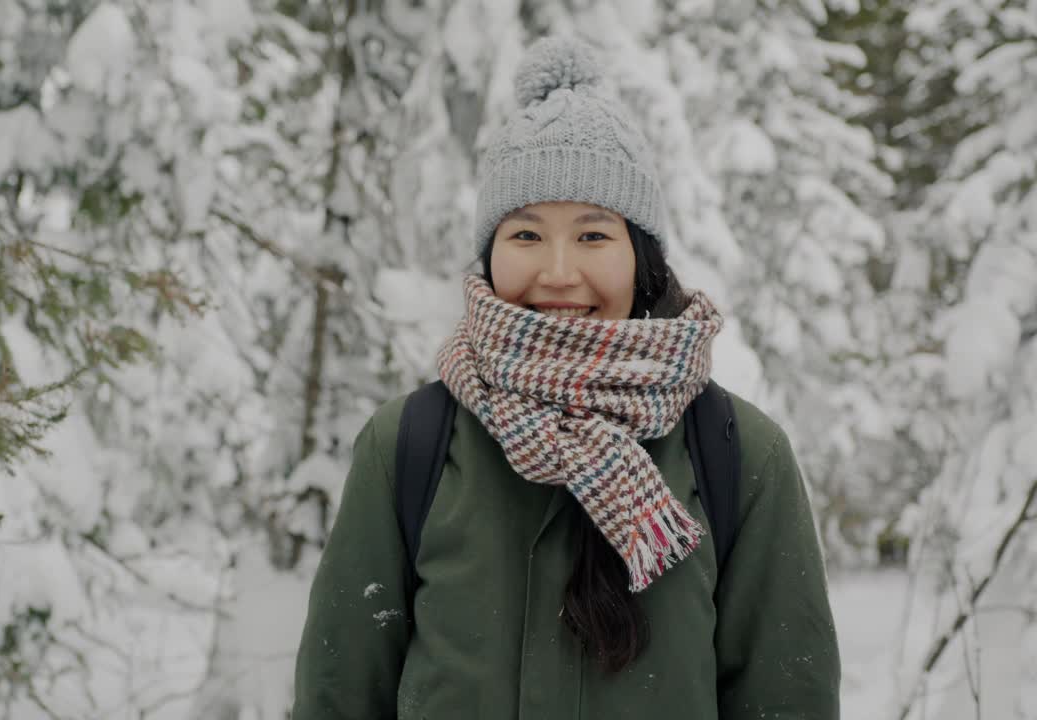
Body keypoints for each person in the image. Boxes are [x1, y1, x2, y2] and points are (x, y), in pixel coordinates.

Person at [291, 36, 840, 720]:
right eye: (524, 235)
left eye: (592, 235)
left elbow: (787, 701)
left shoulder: (738, 455)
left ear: (642, 259)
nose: (556, 272)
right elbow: (338, 697)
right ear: (489, 255)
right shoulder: (409, 446)